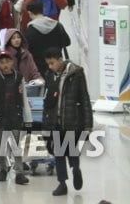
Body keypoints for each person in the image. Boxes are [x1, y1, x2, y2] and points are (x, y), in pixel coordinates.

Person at [41, 47, 93, 196]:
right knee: (58, 152)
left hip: (71, 120)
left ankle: (75, 169)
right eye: (48, 64)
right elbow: (47, 100)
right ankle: (62, 183)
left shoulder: (76, 73)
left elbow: (84, 99)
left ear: (60, 59)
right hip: (55, 121)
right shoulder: (50, 75)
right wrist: (46, 122)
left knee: (71, 150)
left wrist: (88, 124)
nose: (50, 67)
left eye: (52, 63)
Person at [0, 51, 31, 186]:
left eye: (7, 61)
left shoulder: (19, 77)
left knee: (16, 145)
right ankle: (3, 169)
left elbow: (24, 98)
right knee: (2, 145)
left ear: (12, 62)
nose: (5, 65)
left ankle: (19, 172)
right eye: (2, 63)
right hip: (1, 117)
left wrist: (28, 118)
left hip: (16, 116)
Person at [24, 0, 72, 82]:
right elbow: (67, 42)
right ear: (43, 10)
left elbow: (26, 50)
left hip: (39, 70)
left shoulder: (30, 30)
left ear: (29, 13)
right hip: (57, 66)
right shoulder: (57, 25)